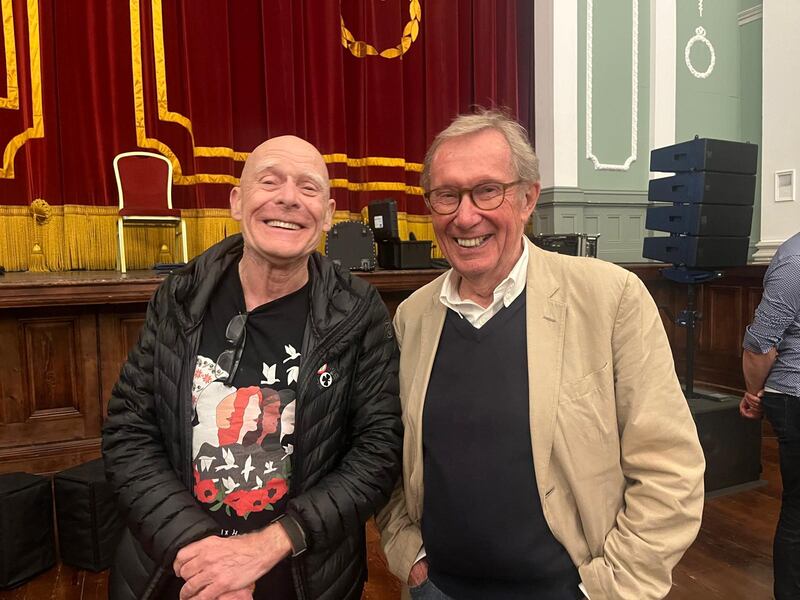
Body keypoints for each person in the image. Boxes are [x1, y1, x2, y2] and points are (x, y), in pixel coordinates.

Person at [377, 110, 706, 600]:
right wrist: (410, 555)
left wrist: (608, 590)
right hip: (437, 590)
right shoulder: (412, 317)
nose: (465, 216)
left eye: (488, 190)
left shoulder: (610, 299)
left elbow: (670, 470)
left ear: (528, 197)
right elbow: (387, 453)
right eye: (447, 195)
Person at [102, 135, 403, 600]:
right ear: (237, 202)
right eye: (270, 181)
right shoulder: (178, 298)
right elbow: (129, 433)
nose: (288, 198)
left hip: (304, 577)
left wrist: (269, 545)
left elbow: (378, 452)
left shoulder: (359, 314)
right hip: (175, 569)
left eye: (308, 188)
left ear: (327, 212)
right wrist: (203, 557)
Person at [740, 231, 800, 600]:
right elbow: (761, 344)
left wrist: (752, 391)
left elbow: (759, 346)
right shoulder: (794, 263)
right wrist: (755, 391)